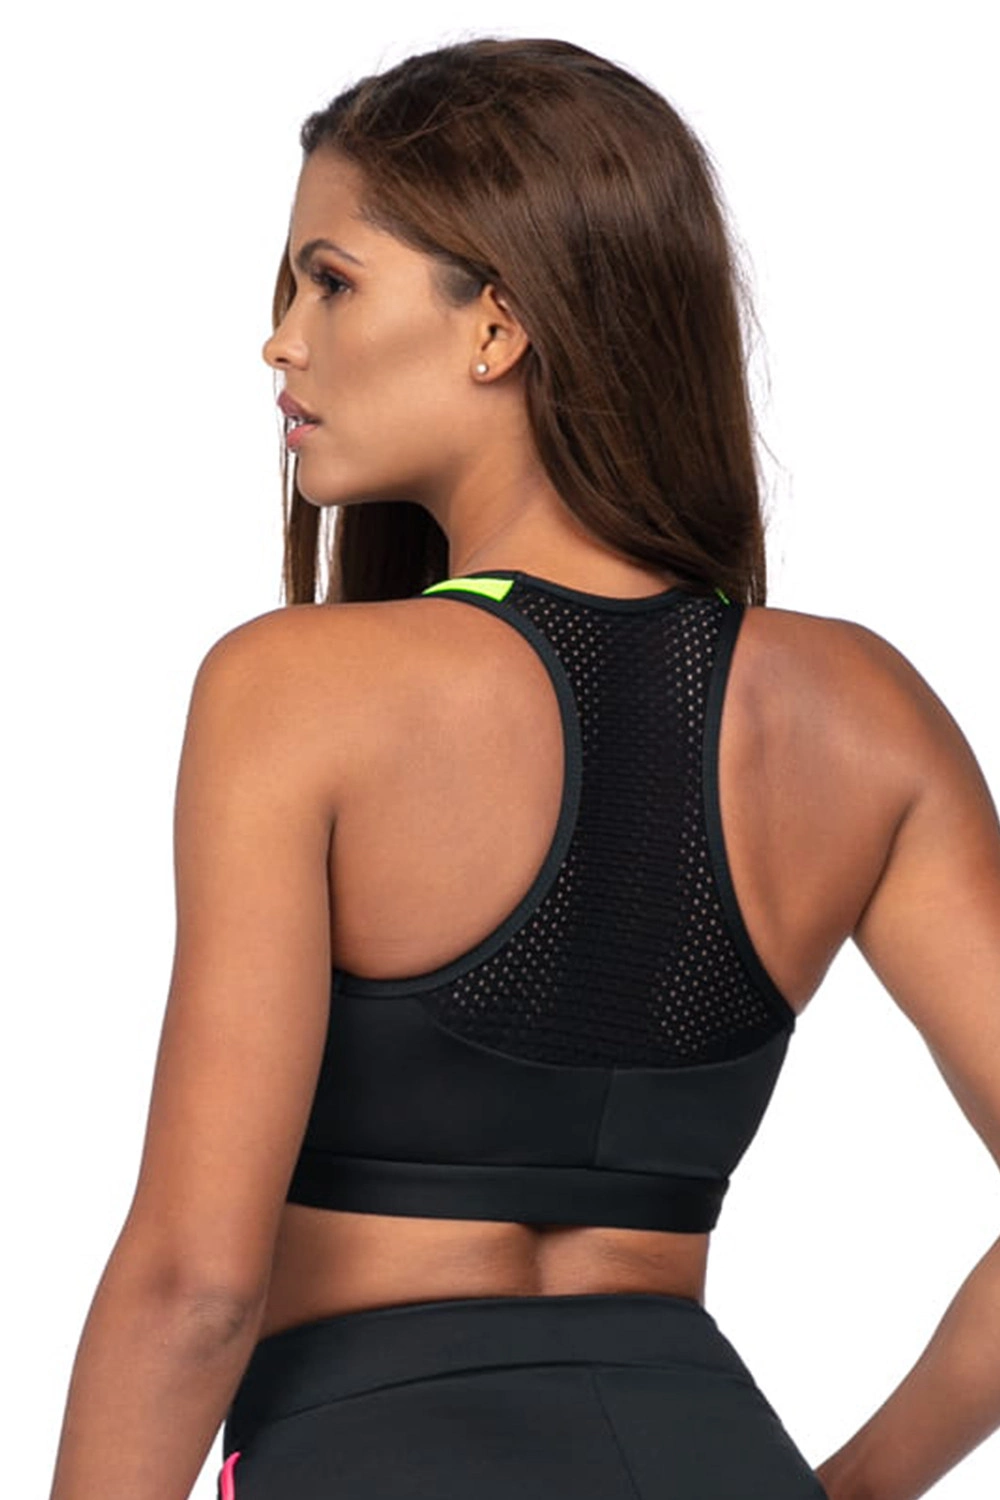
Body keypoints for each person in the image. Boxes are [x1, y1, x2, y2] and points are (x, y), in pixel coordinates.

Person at [47, 35, 1000, 1500]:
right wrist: (850, 1490)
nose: (280, 342)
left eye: (329, 281)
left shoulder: (296, 691)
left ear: (497, 325)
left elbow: (194, 1287)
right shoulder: (864, 712)